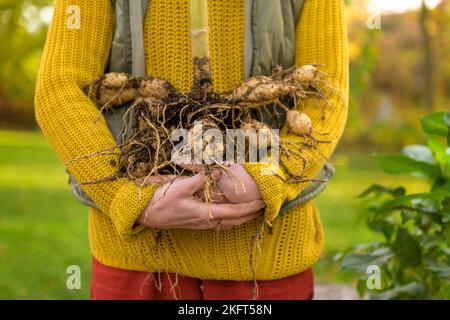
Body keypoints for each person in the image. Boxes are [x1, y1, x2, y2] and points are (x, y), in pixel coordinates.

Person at [35, 0, 348, 300]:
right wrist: (126, 197)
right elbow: (60, 85)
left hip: (268, 256)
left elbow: (326, 88)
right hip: (136, 261)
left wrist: (270, 177)